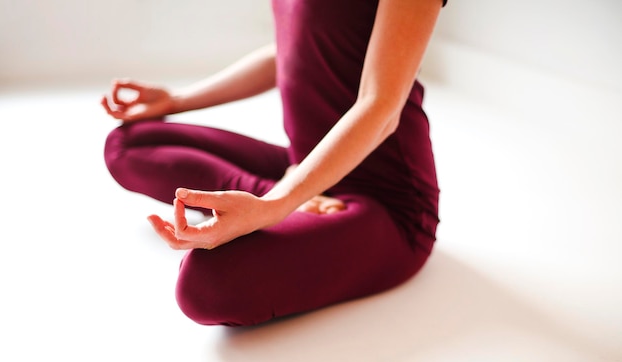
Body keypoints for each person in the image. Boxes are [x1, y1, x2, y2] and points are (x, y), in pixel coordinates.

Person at [101, 0, 446, 327]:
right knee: (127, 144)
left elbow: (380, 106)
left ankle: (285, 200)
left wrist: (275, 204)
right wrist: (177, 101)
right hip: (305, 163)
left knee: (205, 284)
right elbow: (292, 50)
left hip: (386, 203)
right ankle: (295, 196)